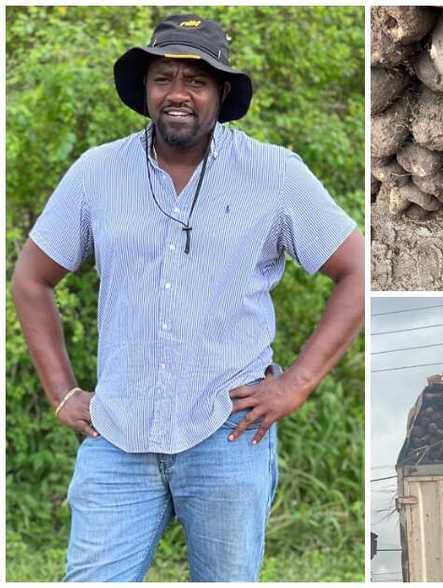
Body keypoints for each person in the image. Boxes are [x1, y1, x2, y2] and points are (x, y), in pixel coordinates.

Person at [10, 15, 364, 582]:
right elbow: (30, 280)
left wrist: (296, 383)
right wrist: (61, 394)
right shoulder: (97, 173)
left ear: (221, 93)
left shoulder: (273, 174)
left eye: (196, 81)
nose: (177, 93)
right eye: (163, 78)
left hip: (226, 434)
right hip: (116, 438)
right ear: (145, 90)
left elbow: (358, 271)